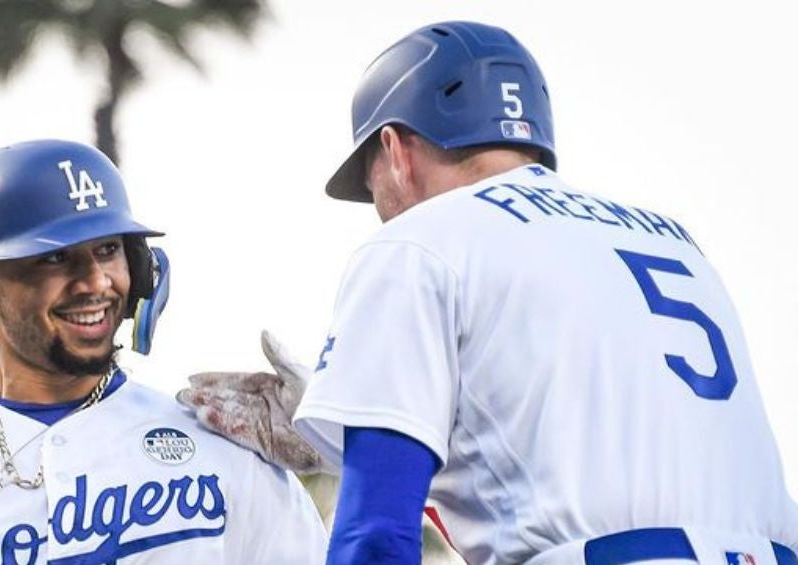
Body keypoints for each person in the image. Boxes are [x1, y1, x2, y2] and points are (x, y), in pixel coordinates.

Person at [178, 21, 798, 564]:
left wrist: (375, 439)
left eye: (371, 188)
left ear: (394, 150)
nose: (380, 210)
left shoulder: (417, 242)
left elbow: (376, 536)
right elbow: (584, 444)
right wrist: (343, 427)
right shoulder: (673, 239)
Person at [0, 139, 326, 564]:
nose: (94, 282)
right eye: (55, 256)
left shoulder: (226, 450)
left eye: (109, 250)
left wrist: (355, 451)